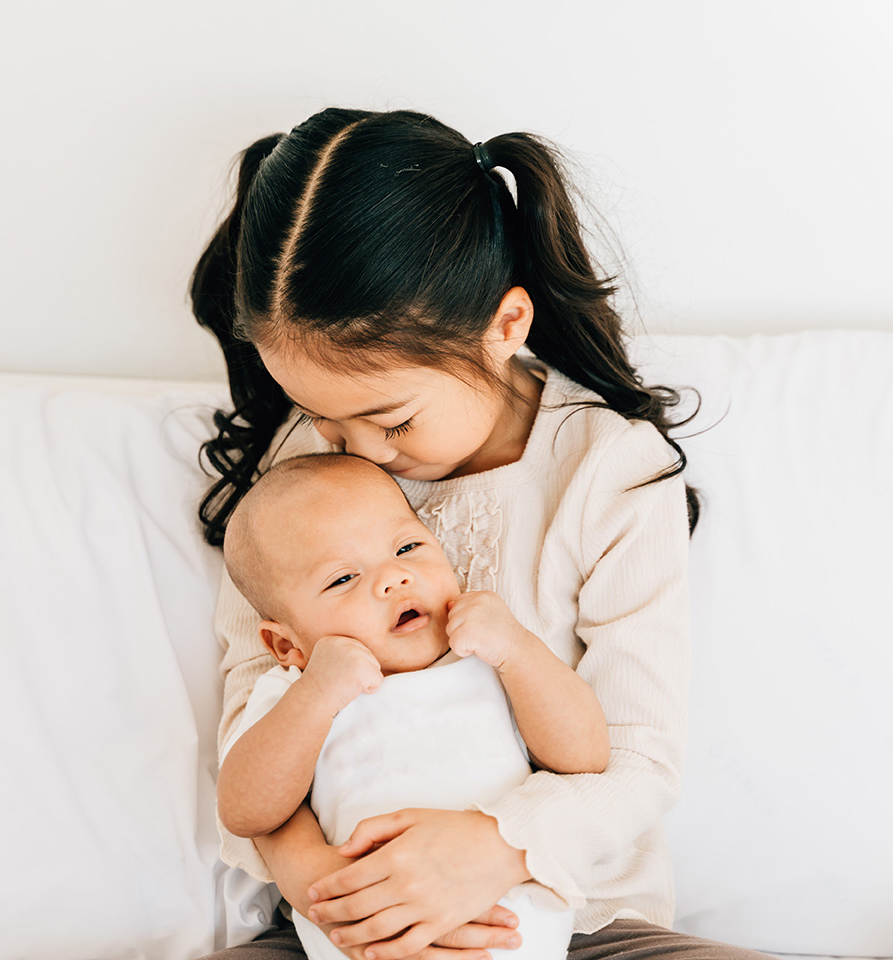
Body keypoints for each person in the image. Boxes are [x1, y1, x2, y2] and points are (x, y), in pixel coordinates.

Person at [189, 108, 769, 960]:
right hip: (343, 927)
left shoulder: (606, 471)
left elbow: (638, 765)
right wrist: (348, 899)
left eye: (389, 419)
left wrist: (492, 848)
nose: (355, 454)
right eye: (321, 418)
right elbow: (252, 754)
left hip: (578, 924)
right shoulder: (298, 472)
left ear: (504, 327)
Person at [216, 452, 608, 960]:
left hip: (513, 934)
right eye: (342, 579)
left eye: (407, 546)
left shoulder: (488, 656)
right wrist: (317, 694)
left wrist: (518, 650)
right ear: (289, 645)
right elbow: (246, 812)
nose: (393, 577)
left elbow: (586, 758)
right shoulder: (296, 690)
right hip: (371, 939)